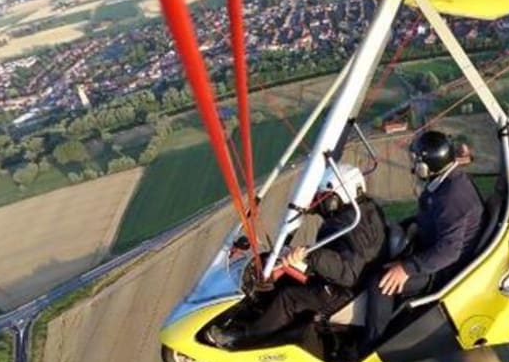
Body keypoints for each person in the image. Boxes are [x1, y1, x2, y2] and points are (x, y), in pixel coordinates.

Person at [207, 163, 385, 349]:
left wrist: (310, 255)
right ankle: (253, 317)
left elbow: (349, 273)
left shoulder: (349, 225)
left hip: (345, 291)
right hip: (349, 280)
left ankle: (245, 338)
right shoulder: (365, 210)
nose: (321, 202)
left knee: (288, 297)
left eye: (324, 198)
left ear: (338, 197)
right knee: (281, 275)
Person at [364, 130, 484, 344]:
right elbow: (432, 218)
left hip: (443, 269)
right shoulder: (445, 182)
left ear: (428, 166)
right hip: (430, 248)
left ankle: (371, 344)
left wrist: (406, 268)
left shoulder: (452, 197)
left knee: (380, 283)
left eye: (417, 161)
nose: (414, 165)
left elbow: (449, 251)